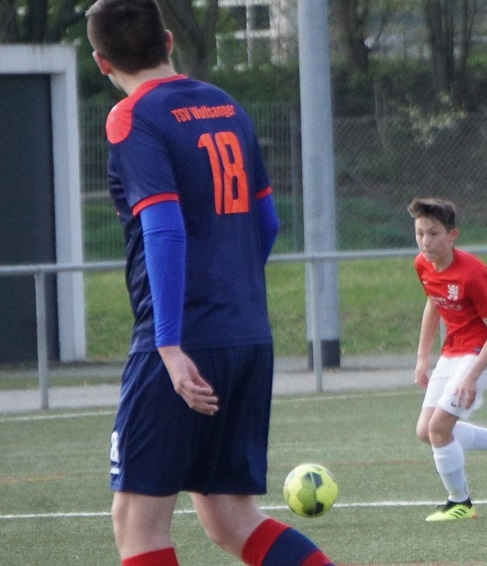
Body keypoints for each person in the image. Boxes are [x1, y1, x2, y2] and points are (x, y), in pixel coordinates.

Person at [87, 1, 334, 564]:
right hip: (246, 333)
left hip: (181, 341)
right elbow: (268, 223)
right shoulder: (226, 105)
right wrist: (232, 292)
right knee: (229, 515)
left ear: (102, 63)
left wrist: (170, 345)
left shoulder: (131, 117)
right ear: (168, 41)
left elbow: (164, 228)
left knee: (137, 522)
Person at [408, 197, 487, 522]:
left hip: (480, 352)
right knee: (426, 431)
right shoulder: (423, 264)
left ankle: (460, 502)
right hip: (453, 350)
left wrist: (471, 376)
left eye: (433, 233)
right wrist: (423, 356)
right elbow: (433, 303)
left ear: (452, 235)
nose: (425, 241)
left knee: (439, 428)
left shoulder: (472, 274)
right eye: (420, 233)